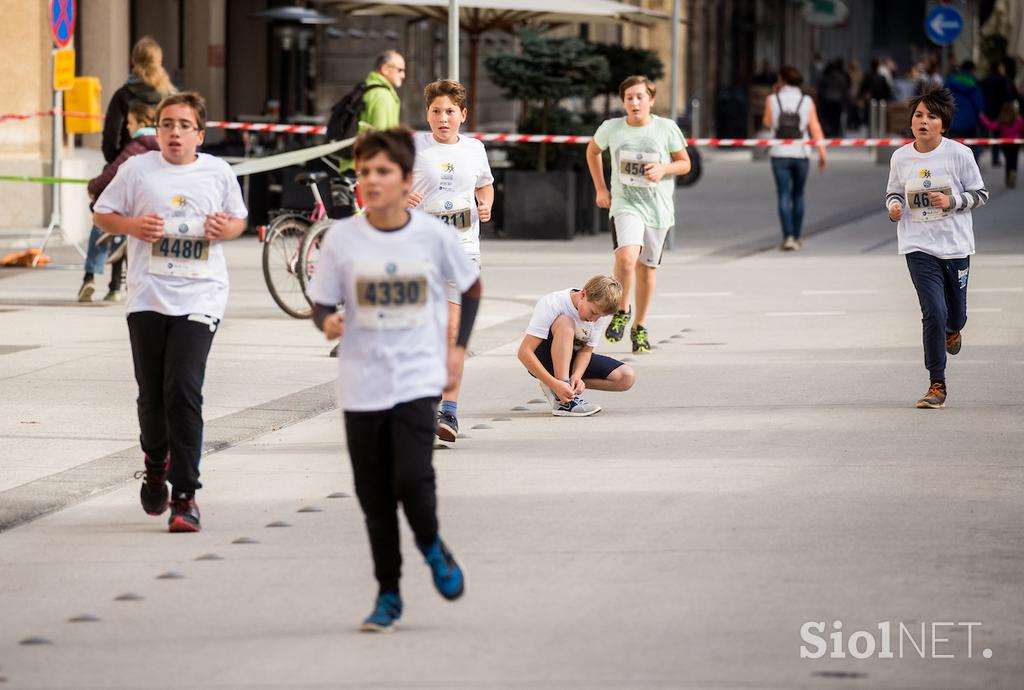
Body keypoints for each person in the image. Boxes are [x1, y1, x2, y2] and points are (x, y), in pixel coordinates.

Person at [306, 128, 481, 633]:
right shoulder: (343, 238)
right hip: (361, 382)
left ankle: (431, 544)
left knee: (411, 479)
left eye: (383, 172)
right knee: (374, 496)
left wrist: (458, 349)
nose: (372, 181)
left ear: (407, 179)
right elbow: (320, 303)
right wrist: (327, 323)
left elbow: (471, 289)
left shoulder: (432, 237)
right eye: (364, 172)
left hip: (416, 376)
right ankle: (389, 594)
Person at [93, 92, 248, 531]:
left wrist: (226, 229)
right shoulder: (137, 169)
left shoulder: (217, 171)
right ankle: (155, 461)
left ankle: (185, 495)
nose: (174, 132)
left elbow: (238, 218)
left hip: (201, 295)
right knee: (152, 394)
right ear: (156, 131)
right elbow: (101, 213)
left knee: (183, 387)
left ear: (199, 133)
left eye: (183, 125)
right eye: (166, 125)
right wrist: (132, 226)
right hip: (148, 295)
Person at [884, 87, 988, 409]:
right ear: (911, 122)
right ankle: (936, 384)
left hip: (955, 246)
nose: (924, 121)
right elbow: (892, 194)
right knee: (934, 311)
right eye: (918, 115)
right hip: (918, 246)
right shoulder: (901, 157)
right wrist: (895, 208)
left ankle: (954, 330)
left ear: (943, 124)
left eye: (932, 116)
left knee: (955, 315)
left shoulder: (959, 154)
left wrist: (952, 201)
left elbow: (980, 194)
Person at [406, 80, 494, 443]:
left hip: (462, 250)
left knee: (452, 334)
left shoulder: (474, 149)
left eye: (450, 112)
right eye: (436, 111)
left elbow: (484, 184)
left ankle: (449, 410)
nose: (443, 119)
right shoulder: (412, 147)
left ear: (463, 115)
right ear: (427, 114)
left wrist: (487, 202)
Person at [585, 75, 691, 354]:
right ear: (623, 101)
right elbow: (593, 151)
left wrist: (662, 169)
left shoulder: (666, 129)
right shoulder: (612, 128)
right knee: (626, 256)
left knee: (646, 270)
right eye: (629, 97)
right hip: (625, 203)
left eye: (640, 97)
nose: (634, 102)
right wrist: (600, 188)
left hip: (657, 208)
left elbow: (685, 164)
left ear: (651, 100)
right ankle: (622, 309)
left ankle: (640, 327)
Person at [517, 275, 635, 417]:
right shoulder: (554, 303)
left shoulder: (598, 312)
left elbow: (586, 350)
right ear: (583, 294)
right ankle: (563, 400)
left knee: (625, 377)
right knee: (565, 322)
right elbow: (524, 352)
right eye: (593, 313)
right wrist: (555, 383)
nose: (594, 320)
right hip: (543, 358)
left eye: (600, 317)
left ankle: (566, 387)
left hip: (571, 357)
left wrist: (577, 376)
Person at [79, 102, 160, 303]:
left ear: (141, 122)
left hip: (129, 205)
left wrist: (93, 186)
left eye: (130, 122)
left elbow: (114, 171)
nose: (127, 127)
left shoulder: (137, 145)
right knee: (130, 245)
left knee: (103, 226)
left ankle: (90, 276)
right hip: (151, 207)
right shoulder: (162, 147)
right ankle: (116, 287)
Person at [762, 66, 828, 251]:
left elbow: (767, 122)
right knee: (798, 195)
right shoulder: (806, 101)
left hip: (779, 153)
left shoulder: (772, 99)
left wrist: (774, 95)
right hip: (801, 153)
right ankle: (798, 236)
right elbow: (814, 127)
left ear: (781, 80)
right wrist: (822, 152)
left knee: (783, 195)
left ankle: (788, 236)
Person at [102, 36, 175, 164]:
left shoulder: (122, 95)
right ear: (160, 61)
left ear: (133, 61)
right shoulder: (170, 96)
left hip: (130, 162)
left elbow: (111, 137)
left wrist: (117, 161)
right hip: (165, 163)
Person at [336, 50, 406, 175]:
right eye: (400, 70)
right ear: (385, 69)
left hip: (352, 164)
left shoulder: (367, 87)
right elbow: (382, 136)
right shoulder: (382, 95)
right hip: (368, 170)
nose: (403, 75)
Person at [945, 61, 986, 160]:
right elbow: (979, 103)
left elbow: (942, 98)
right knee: (971, 148)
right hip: (970, 122)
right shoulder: (973, 82)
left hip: (952, 120)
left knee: (953, 148)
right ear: (972, 70)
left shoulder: (950, 80)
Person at [980, 100, 1023, 188]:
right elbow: (1022, 130)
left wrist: (982, 117)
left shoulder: (1002, 119)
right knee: (1014, 159)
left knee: (1008, 159)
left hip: (1005, 142)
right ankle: (1013, 172)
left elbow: (991, 126)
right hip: (1016, 142)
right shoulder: (1018, 119)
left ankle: (1008, 177)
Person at [980, 61, 1013, 167]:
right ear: (999, 67)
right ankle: (995, 158)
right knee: (997, 135)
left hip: (986, 110)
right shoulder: (1003, 79)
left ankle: (978, 157)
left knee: (983, 134)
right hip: (1000, 111)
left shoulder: (985, 80)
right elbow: (1008, 96)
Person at [817, 58, 850, 137]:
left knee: (827, 117)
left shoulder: (825, 77)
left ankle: (827, 131)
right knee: (836, 118)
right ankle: (836, 132)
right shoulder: (841, 77)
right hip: (838, 100)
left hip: (826, 100)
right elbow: (844, 89)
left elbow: (821, 89)